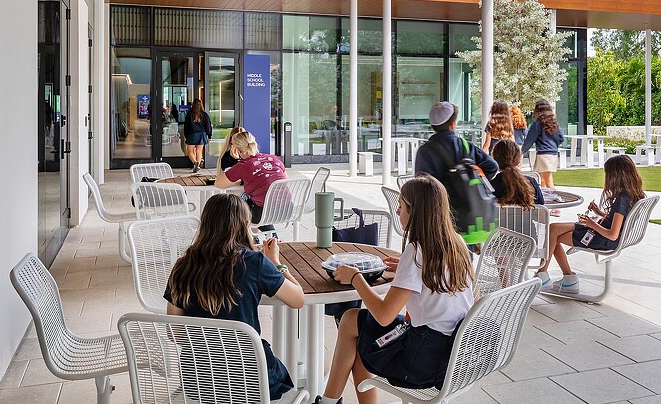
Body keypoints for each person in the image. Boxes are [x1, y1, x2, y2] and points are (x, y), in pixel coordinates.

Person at [316, 175, 474, 404]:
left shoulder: (416, 251)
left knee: (353, 322)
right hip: (450, 351)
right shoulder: (457, 243)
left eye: (401, 207)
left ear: (416, 211)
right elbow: (441, 280)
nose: (398, 213)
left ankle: (328, 402)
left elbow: (383, 316)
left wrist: (355, 278)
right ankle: (328, 402)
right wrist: (408, 268)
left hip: (422, 360)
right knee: (359, 334)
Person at [164, 193, 305, 400]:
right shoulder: (255, 263)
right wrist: (275, 262)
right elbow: (298, 299)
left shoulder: (182, 266)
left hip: (197, 378)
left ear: (205, 224)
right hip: (248, 377)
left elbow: (175, 333)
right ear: (246, 224)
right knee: (280, 372)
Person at [535, 154, 646, 295]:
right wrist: (599, 213)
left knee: (553, 235)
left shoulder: (621, 199)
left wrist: (591, 223)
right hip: (601, 232)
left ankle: (547, 276)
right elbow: (619, 221)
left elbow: (612, 235)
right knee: (553, 229)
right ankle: (560, 278)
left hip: (602, 239)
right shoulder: (633, 194)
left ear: (615, 176)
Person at [413, 101, 498, 210]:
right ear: (453, 125)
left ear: (433, 126)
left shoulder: (424, 151)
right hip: (467, 210)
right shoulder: (466, 146)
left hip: (439, 212)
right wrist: (474, 184)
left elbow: (421, 185)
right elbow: (492, 166)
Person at [215, 131, 285, 233]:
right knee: (260, 204)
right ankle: (270, 238)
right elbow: (284, 180)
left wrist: (237, 165)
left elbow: (219, 183)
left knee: (234, 206)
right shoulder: (274, 159)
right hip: (286, 208)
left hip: (263, 212)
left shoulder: (244, 165)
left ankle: (244, 239)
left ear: (237, 150)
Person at [520, 98, 564, 189]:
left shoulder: (537, 124)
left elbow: (529, 140)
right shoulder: (554, 123)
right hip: (553, 154)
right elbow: (561, 138)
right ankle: (544, 200)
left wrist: (520, 152)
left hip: (543, 155)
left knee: (548, 182)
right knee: (543, 180)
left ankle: (556, 200)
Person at [488, 140, 544, 207]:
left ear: (495, 159)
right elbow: (541, 206)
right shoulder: (531, 183)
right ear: (518, 159)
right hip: (527, 218)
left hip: (501, 218)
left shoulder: (491, 186)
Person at [184, 98, 212, 173]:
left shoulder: (189, 114)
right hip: (202, 135)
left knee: (190, 151)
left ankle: (195, 162)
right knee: (199, 151)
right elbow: (208, 126)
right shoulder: (205, 115)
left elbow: (186, 126)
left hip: (192, 135)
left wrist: (186, 135)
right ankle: (198, 166)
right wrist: (209, 135)